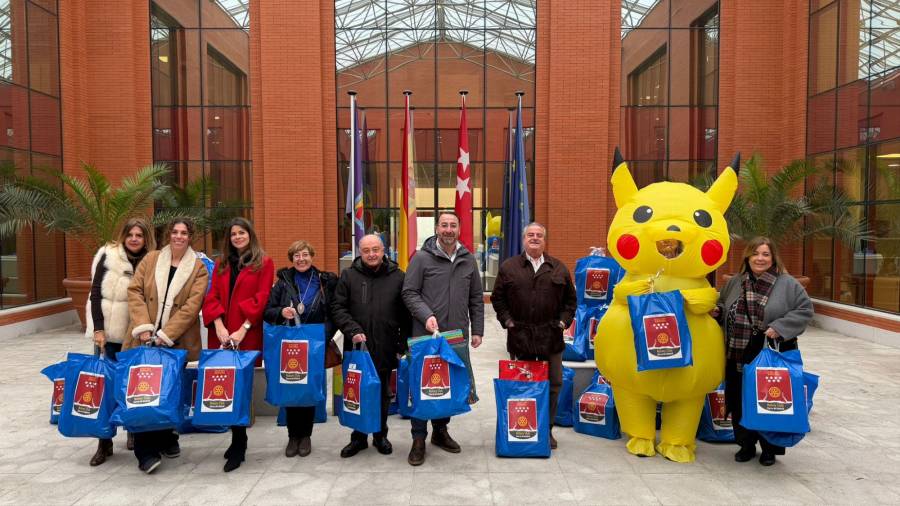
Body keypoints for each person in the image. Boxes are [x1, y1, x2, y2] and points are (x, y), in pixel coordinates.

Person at [713, 236, 813, 467]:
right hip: (737, 354)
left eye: (765, 254)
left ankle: (770, 448)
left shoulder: (788, 284)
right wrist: (717, 313)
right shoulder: (735, 282)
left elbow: (805, 310)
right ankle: (745, 444)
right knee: (739, 400)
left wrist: (779, 327)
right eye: (755, 253)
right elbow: (723, 305)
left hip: (772, 353)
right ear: (747, 256)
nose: (760, 258)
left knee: (770, 399)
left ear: (773, 257)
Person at [125, 218, 208, 474]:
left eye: (184, 233)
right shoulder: (150, 259)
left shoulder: (198, 268)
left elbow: (191, 307)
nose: (179, 236)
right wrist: (144, 327)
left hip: (174, 341)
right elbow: (135, 291)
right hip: (142, 338)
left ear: (190, 237)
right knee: (142, 394)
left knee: (165, 394)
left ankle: (164, 439)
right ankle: (145, 452)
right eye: (175, 232)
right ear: (168, 235)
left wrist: (165, 334)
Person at [402, 211, 483, 466]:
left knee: (445, 385)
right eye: (444, 225)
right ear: (437, 228)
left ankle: (440, 431)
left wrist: (478, 329)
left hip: (455, 335)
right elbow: (409, 292)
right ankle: (418, 438)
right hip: (425, 335)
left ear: (459, 229)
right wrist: (426, 316)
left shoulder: (468, 259)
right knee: (422, 385)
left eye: (453, 225)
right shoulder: (421, 258)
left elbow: (476, 298)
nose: (448, 229)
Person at [490, 222, 576, 450]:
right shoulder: (509, 267)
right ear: (523, 239)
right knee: (523, 385)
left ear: (545, 240)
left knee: (553, 384)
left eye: (539, 235)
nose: (535, 238)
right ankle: (525, 427)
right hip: (521, 339)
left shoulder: (558, 268)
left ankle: (546, 430)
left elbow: (570, 302)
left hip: (551, 338)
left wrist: (562, 322)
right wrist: (508, 322)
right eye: (530, 235)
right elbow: (498, 299)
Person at [201, 218, 274, 472]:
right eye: (233, 234)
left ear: (250, 234)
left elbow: (262, 297)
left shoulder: (263, 262)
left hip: (247, 333)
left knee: (241, 387)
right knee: (225, 384)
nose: (238, 237)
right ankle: (235, 439)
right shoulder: (220, 263)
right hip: (221, 336)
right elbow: (212, 297)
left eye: (242, 232)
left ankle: (239, 443)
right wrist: (219, 327)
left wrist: (242, 329)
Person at [331, 234, 411, 458]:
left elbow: (406, 315)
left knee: (383, 394)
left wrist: (401, 345)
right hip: (357, 348)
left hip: (386, 346)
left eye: (375, 249)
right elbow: (337, 308)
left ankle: (379, 435)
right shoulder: (348, 276)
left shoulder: (398, 277)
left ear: (384, 250)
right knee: (356, 392)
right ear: (360, 252)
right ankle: (358, 438)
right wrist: (352, 330)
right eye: (366, 250)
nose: (372, 254)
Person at [84, 217, 156, 466]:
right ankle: (104, 442)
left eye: (139, 235)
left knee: (133, 386)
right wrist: (98, 329)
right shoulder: (108, 255)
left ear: (146, 238)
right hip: (110, 335)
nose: (134, 239)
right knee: (106, 390)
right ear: (123, 236)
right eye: (130, 234)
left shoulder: (152, 259)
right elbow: (94, 293)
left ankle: (133, 431)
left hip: (136, 334)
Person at [263, 240, 337, 458]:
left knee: (308, 390)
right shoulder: (282, 282)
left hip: (314, 346)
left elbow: (333, 312)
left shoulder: (325, 281)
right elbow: (267, 311)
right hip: (289, 346)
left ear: (312, 256)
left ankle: (306, 436)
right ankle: (292, 436)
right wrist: (280, 313)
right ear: (291, 259)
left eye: (305, 254)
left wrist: (324, 335)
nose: (301, 259)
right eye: (296, 255)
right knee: (291, 388)